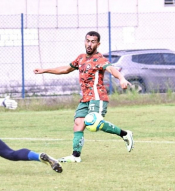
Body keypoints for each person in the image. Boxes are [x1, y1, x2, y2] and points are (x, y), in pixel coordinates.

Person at [33, 31, 134, 163]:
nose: (89, 44)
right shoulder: (81, 58)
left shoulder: (100, 59)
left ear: (98, 44)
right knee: (78, 123)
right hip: (85, 98)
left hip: (97, 97)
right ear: (85, 41)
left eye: (93, 42)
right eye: (88, 41)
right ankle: (75, 156)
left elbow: (111, 69)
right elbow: (65, 69)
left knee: (93, 122)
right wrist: (45, 70)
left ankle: (125, 134)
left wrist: (121, 78)